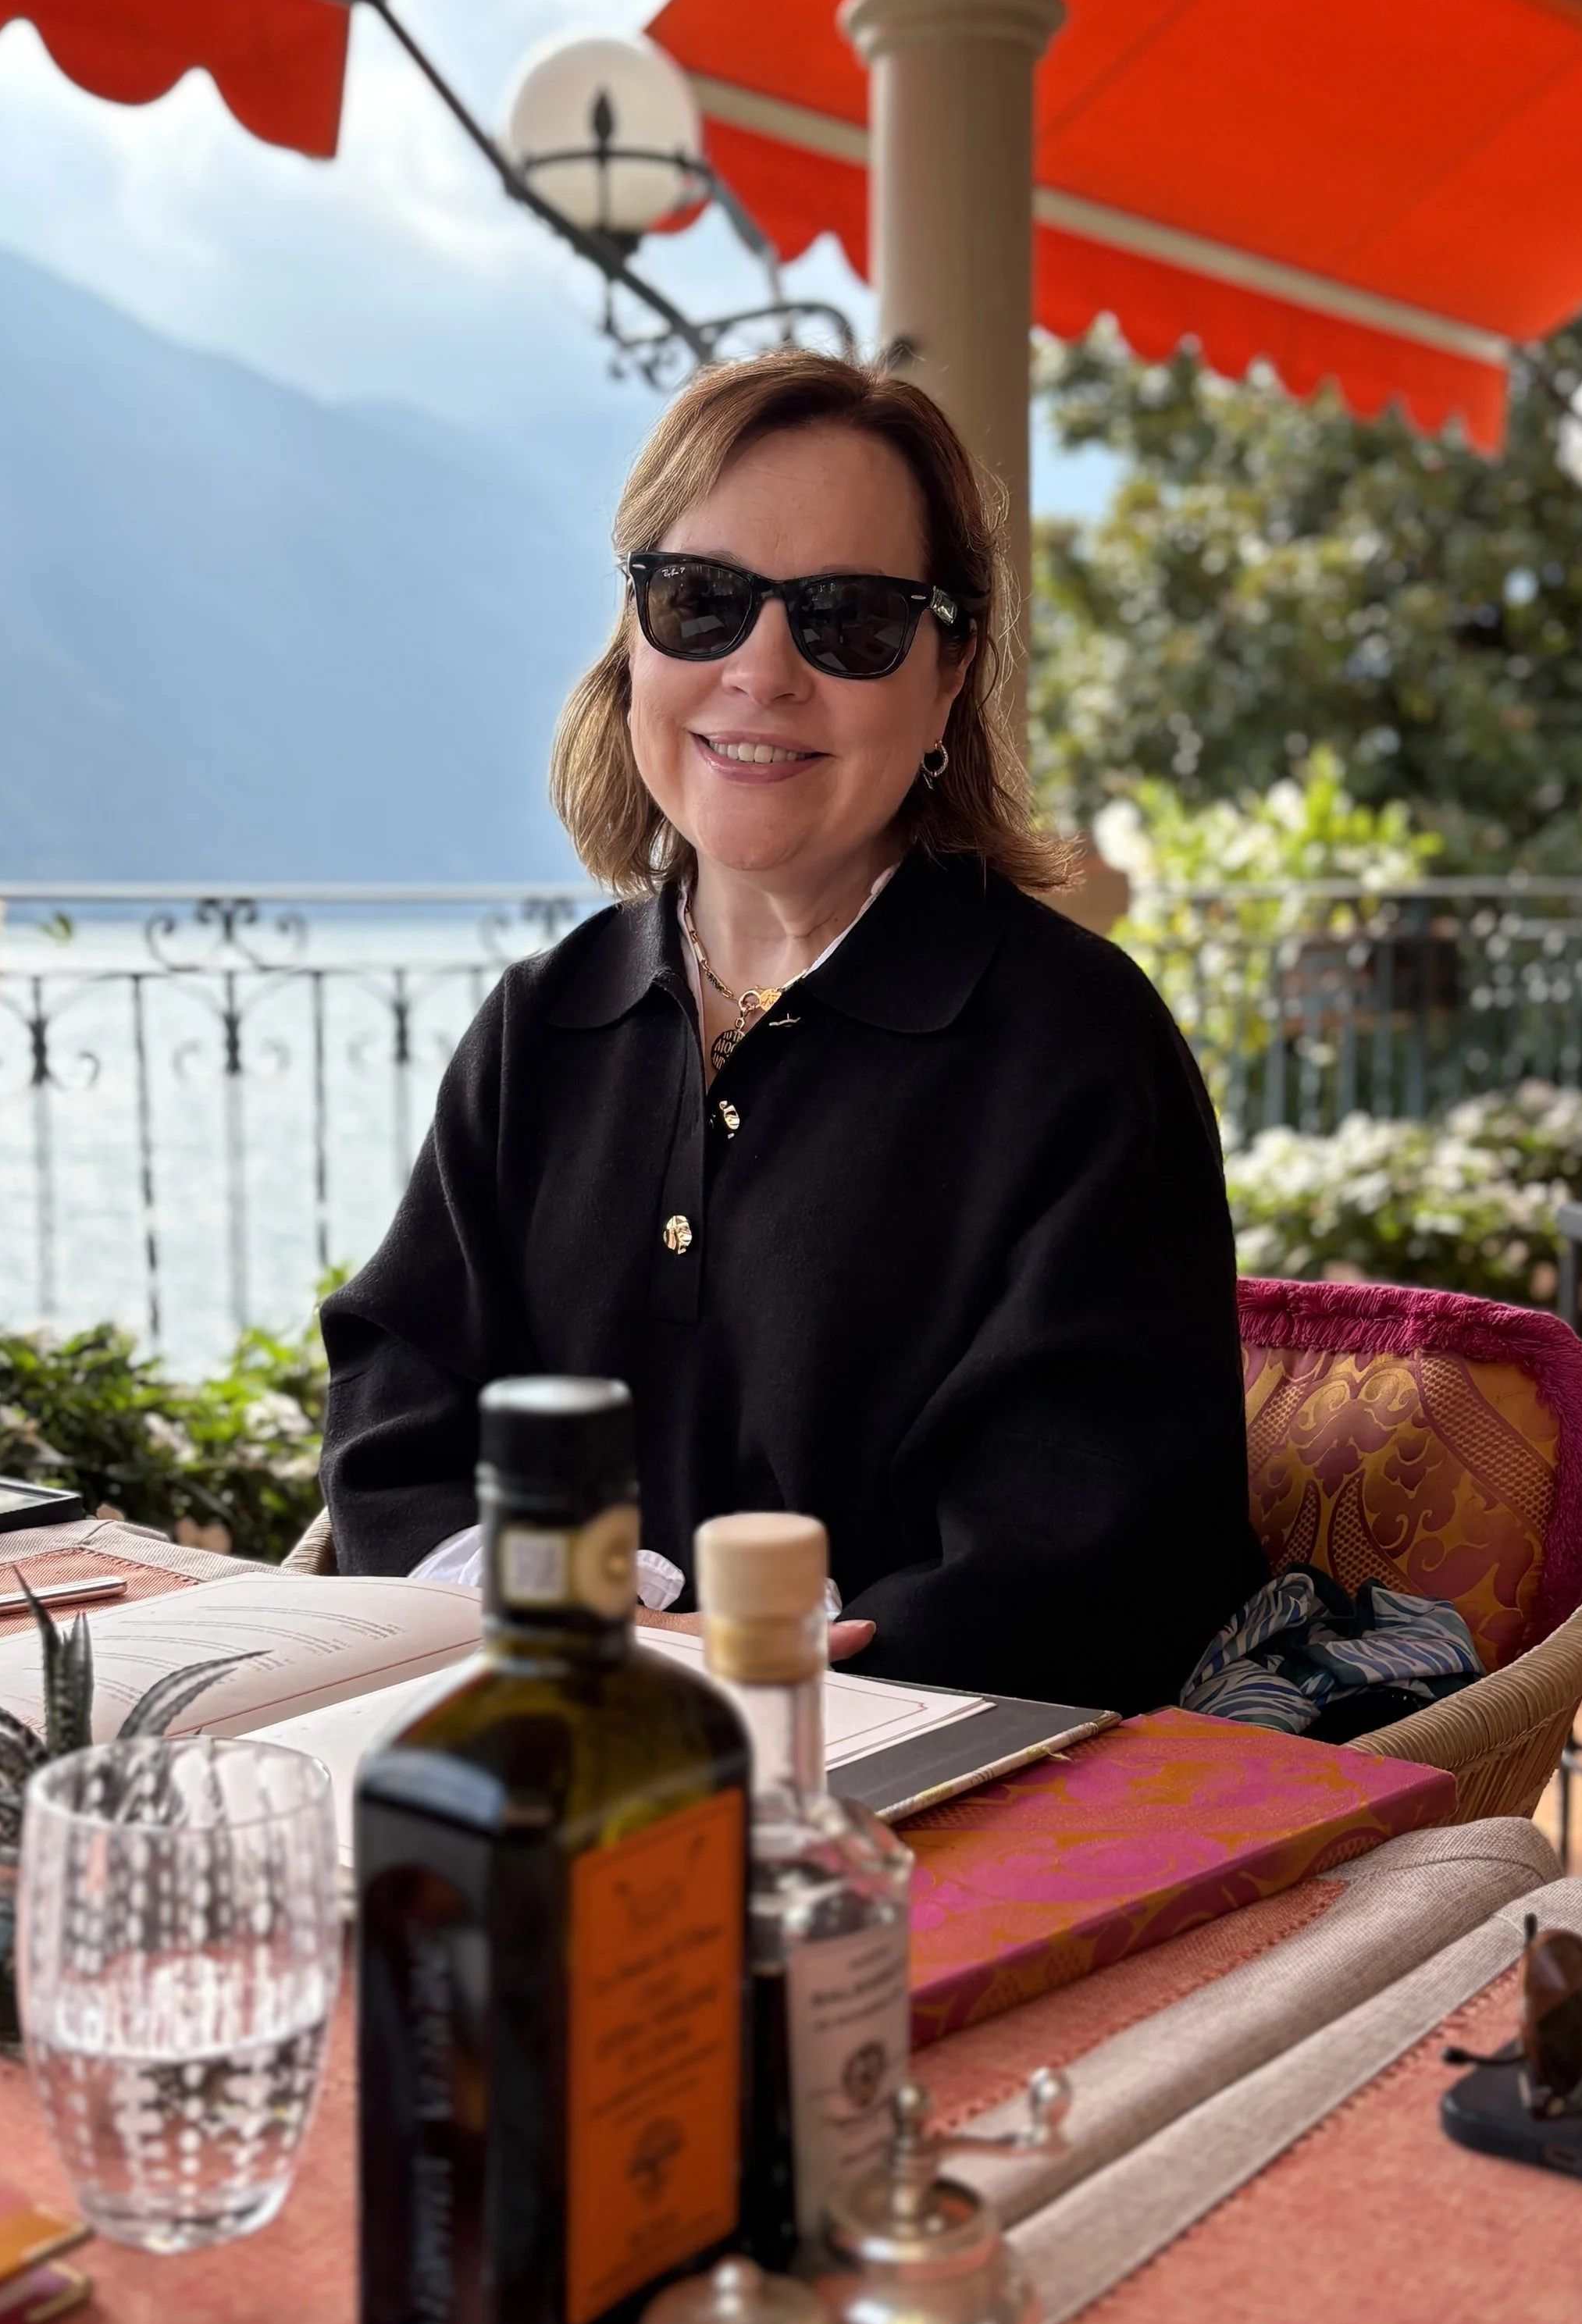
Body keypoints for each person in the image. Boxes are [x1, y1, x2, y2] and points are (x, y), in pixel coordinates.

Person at [319, 351, 1266, 1714]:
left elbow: (1084, 1556)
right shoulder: (541, 1028)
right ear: (634, 639)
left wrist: (736, 1675)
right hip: (533, 1734)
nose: (761, 672)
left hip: (921, 1787)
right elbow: (398, 1417)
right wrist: (591, 1638)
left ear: (949, 673)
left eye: (850, 620)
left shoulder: (1076, 1049)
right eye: (701, 602)